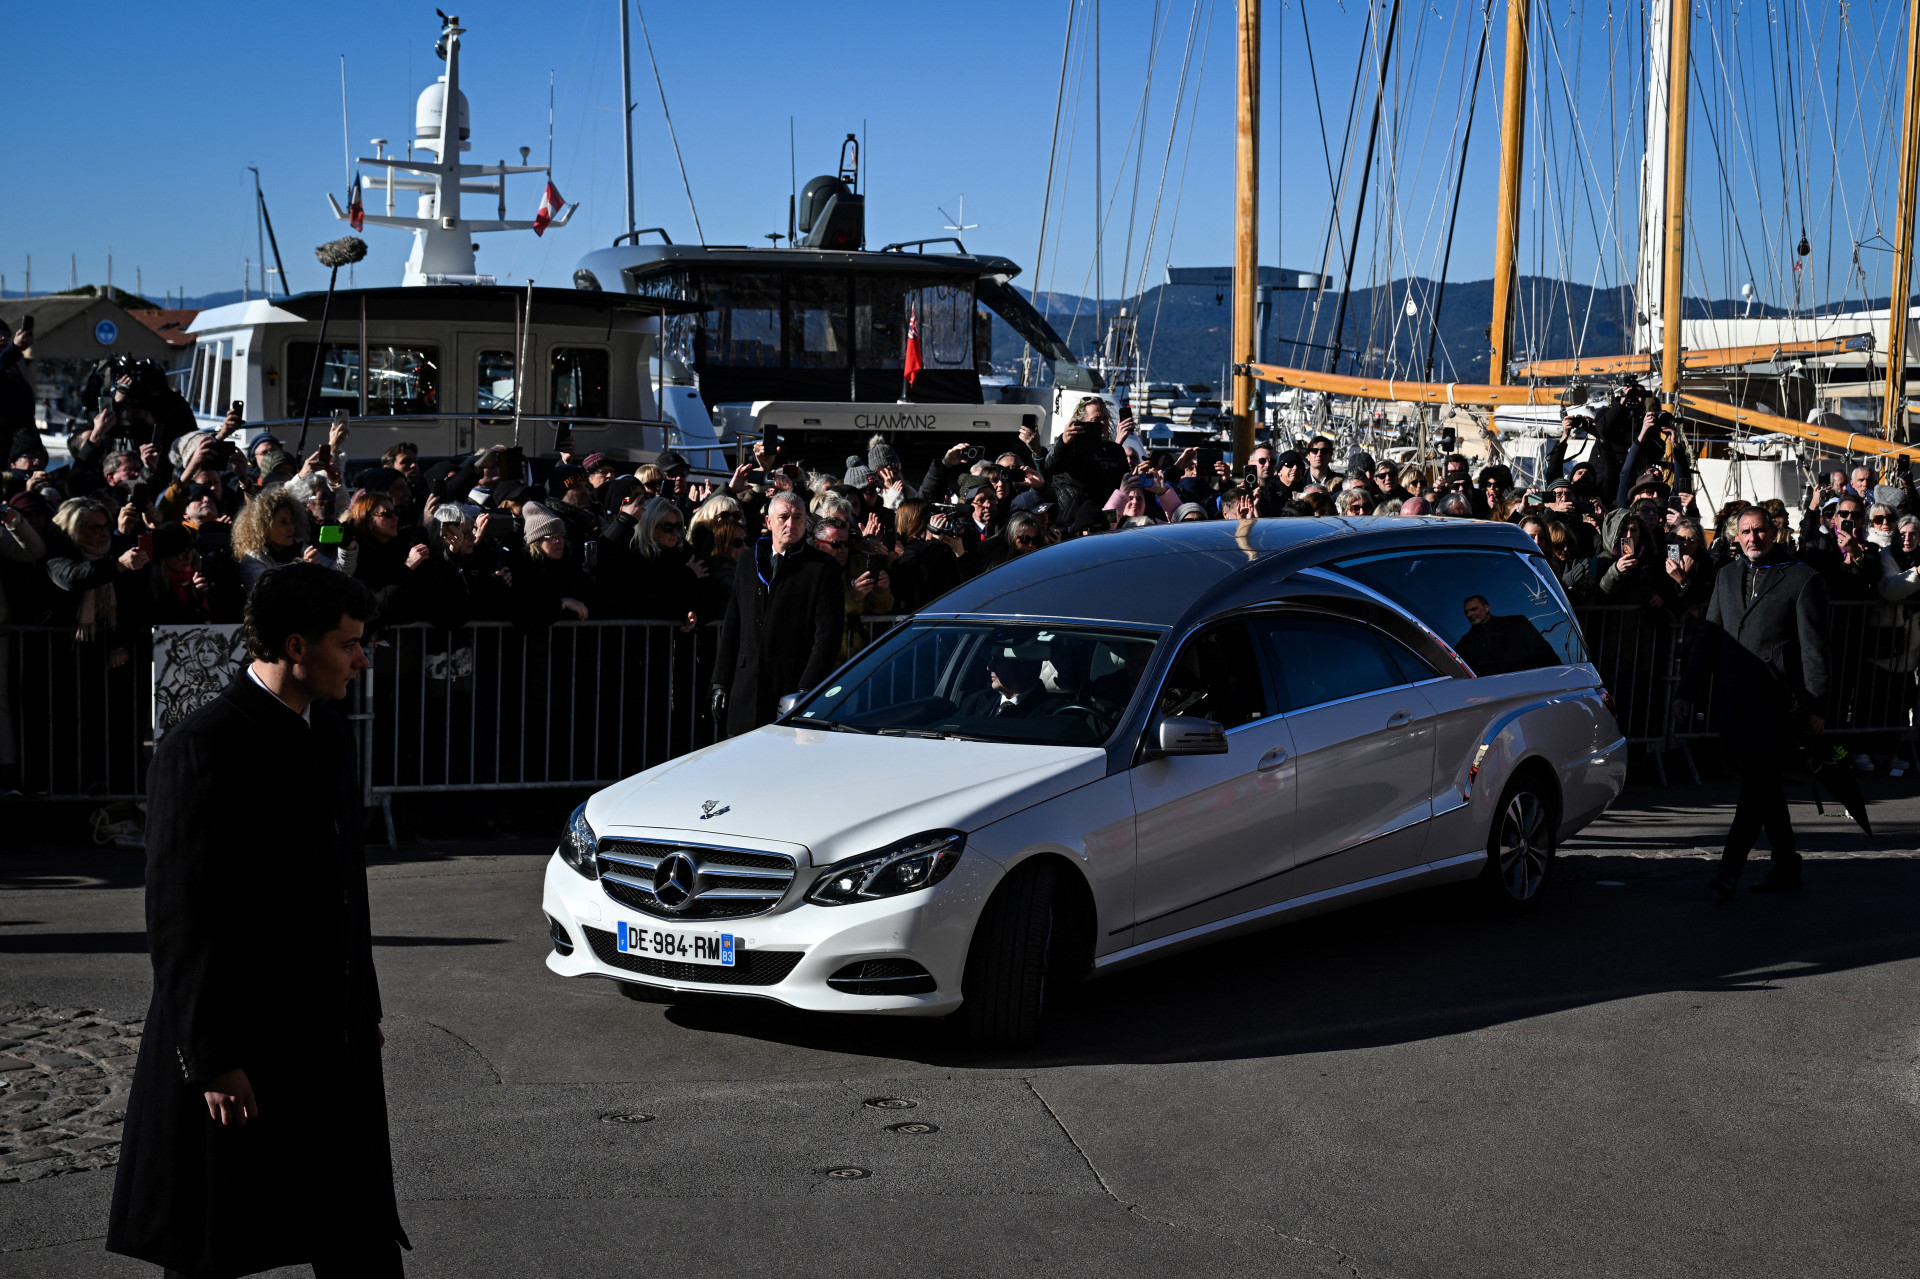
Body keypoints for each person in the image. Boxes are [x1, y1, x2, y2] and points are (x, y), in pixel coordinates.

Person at [106, 563, 408, 1278]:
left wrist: (360, 1007)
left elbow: (344, 893)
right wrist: (211, 1054)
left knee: (359, 1232)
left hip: (327, 1034)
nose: (362, 659)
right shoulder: (202, 748)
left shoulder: (331, 735)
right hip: (246, 1038)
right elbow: (181, 917)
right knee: (223, 1235)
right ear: (296, 645)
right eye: (349, 644)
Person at [1675, 507, 1832, 900]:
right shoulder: (1726, 577)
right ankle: (1786, 865)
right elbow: (1710, 638)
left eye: (1759, 531)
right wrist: (1686, 691)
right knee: (1765, 785)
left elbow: (1815, 648)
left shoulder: (1801, 578)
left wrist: (1817, 705)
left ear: (1774, 532)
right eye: (1745, 532)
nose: (1752, 538)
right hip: (1734, 700)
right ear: (1736, 536)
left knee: (1757, 786)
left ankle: (1729, 870)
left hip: (1779, 704)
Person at [711, 490, 844, 737]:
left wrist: (807, 689)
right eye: (784, 517)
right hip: (746, 688)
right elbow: (733, 624)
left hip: (791, 689)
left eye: (798, 517)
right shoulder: (748, 561)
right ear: (768, 522)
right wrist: (720, 681)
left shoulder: (823, 568)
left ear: (807, 522)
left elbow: (827, 636)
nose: (791, 524)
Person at [1454, 595, 1557, 676]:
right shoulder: (1465, 644)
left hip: (1532, 685)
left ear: (1486, 607)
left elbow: (1545, 656)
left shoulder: (1516, 624)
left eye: (1474, 609)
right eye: (1466, 612)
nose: (1470, 614)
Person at [958, 652, 1060, 718]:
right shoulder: (975, 700)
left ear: (1026, 667)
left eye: (999, 660)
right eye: (992, 659)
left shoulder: (1053, 713)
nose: (989, 667)